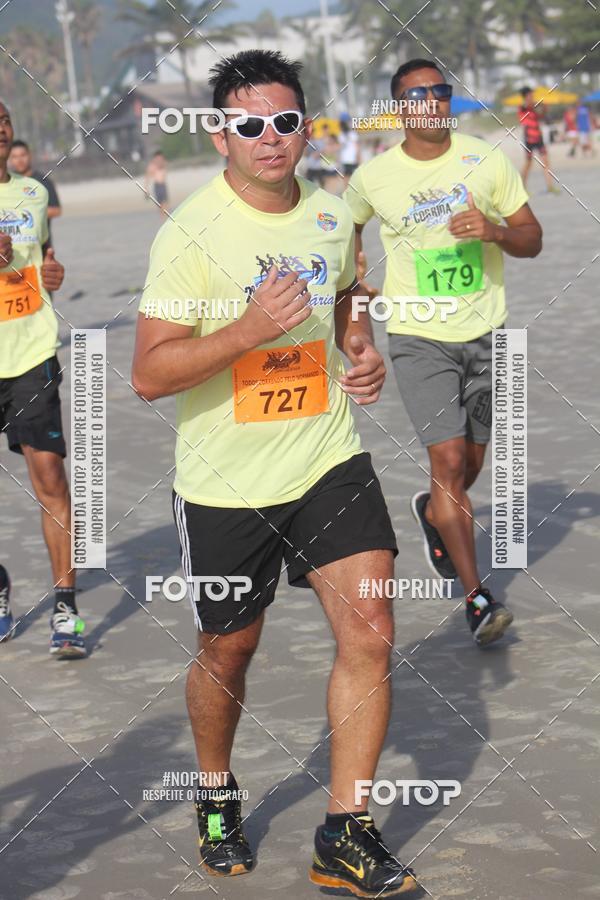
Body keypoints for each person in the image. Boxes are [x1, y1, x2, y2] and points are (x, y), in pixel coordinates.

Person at [132, 50, 417, 897]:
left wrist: (360, 352)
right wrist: (248, 329)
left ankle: (346, 833)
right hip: (227, 480)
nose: (270, 138)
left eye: (286, 122)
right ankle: (216, 793)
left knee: (370, 633)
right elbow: (149, 374)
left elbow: (345, 301)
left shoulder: (332, 216)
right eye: (250, 124)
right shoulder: (190, 230)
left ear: (305, 128)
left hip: (328, 457)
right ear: (220, 133)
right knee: (230, 646)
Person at [344, 58, 543, 646]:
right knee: (449, 462)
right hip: (417, 335)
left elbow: (532, 237)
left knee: (472, 465)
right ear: (399, 107)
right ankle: (477, 597)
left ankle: (434, 513)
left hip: (487, 334)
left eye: (440, 91)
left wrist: (496, 231)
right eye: (417, 94)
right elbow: (339, 226)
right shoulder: (374, 177)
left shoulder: (486, 159)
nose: (431, 101)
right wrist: (354, 269)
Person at [0, 102, 86, 656]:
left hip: (31, 350)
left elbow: (45, 262)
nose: (0, 129)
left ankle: (65, 607)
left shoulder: (32, 193)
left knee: (49, 476)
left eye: (4, 119)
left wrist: (52, 275)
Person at [9, 139, 62, 242]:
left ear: (30, 155)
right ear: (10, 159)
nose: (19, 160)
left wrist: (27, 212)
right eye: (14, 157)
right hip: (15, 248)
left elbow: (56, 210)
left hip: (40, 244)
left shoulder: (43, 181)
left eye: (23, 155)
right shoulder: (7, 182)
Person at [518, 87, 559, 193]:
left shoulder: (533, 108)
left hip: (539, 138)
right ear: (526, 96)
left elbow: (541, 116)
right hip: (529, 139)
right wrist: (540, 103)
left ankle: (550, 187)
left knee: (546, 162)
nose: (532, 96)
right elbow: (529, 105)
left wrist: (545, 108)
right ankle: (522, 187)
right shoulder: (523, 107)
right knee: (528, 163)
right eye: (530, 95)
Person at [145, 150, 169, 216]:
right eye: (157, 158)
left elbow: (164, 165)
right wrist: (146, 189)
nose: (159, 160)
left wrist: (160, 163)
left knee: (165, 203)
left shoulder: (163, 164)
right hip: (157, 186)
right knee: (160, 204)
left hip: (163, 185)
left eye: (160, 158)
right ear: (154, 158)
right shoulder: (152, 166)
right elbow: (147, 178)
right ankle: (162, 217)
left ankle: (164, 217)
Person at [339, 116, 361, 184]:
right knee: (347, 177)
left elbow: (357, 146)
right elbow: (340, 146)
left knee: (353, 177)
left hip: (352, 159)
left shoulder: (352, 134)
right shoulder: (341, 135)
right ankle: (347, 191)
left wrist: (358, 157)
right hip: (346, 160)